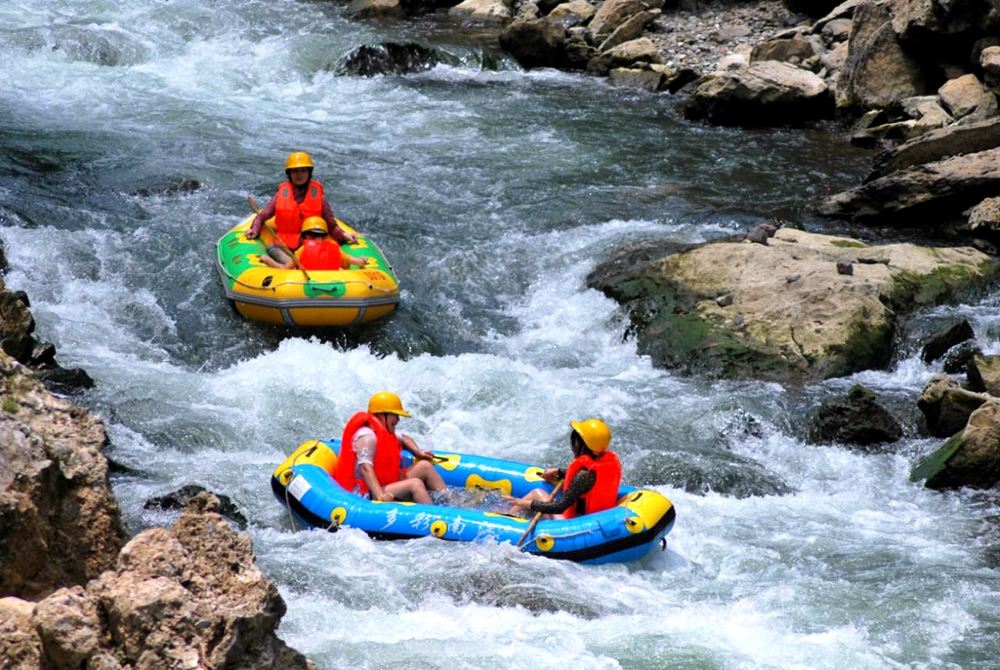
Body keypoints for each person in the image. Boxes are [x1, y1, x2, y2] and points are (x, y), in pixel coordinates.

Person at [333, 391, 447, 504]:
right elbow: (365, 469)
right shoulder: (367, 437)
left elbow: (404, 438)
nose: (398, 419)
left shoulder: (384, 432)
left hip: (384, 483)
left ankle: (451, 502)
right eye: (395, 415)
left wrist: (418, 452)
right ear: (382, 415)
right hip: (366, 492)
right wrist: (380, 495)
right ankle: (434, 514)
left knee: (424, 466)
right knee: (415, 484)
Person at [246, 151, 357, 263]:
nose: (299, 175)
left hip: (311, 246)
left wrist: (343, 235)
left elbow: (331, 225)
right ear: (289, 174)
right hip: (284, 247)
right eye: (295, 171)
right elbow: (262, 216)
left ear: (309, 172)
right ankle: (293, 264)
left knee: (325, 253)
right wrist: (254, 229)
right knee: (272, 248)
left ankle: (296, 264)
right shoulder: (280, 195)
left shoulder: (320, 198)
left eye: (303, 170)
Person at [503, 419, 622, 519]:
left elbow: (559, 507)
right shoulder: (605, 462)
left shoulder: (583, 476)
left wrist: (523, 503)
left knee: (537, 493)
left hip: (576, 522)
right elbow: (592, 479)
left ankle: (506, 517)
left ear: (580, 445)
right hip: (599, 516)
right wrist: (560, 472)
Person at [258, 216, 369, 271]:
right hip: (334, 284)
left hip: (303, 288)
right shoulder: (335, 249)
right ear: (325, 237)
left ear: (305, 237)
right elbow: (358, 262)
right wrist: (363, 260)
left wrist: (268, 260)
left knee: (273, 251)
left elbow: (284, 269)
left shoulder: (302, 251)